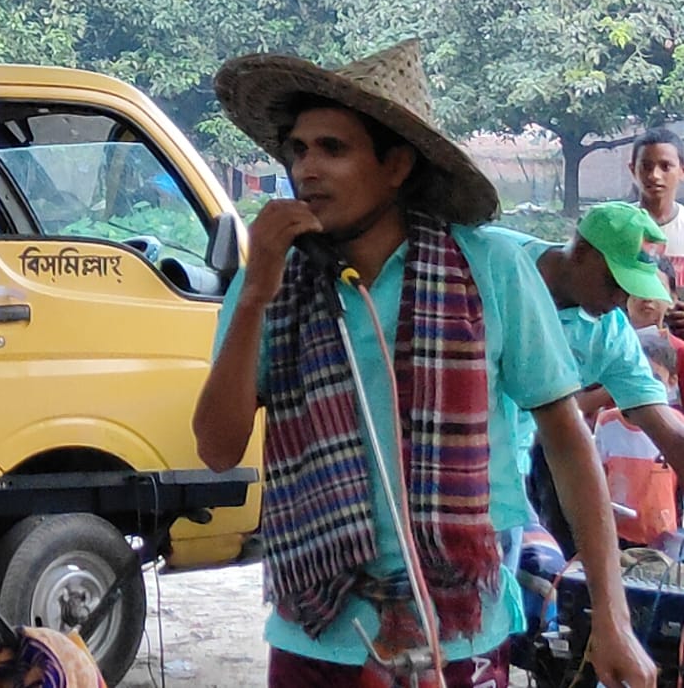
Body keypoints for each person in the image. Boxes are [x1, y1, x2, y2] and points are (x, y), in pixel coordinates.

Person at [192, 39, 653, 688]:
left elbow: (566, 440)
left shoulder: (490, 267)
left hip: (458, 630)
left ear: (396, 165)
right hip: (317, 632)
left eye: (332, 148)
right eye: (297, 149)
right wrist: (255, 295)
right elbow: (217, 449)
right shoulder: (272, 280)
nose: (306, 169)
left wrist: (612, 615)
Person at [495, 203, 684, 556]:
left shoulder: (610, 335)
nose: (621, 299)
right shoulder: (495, 260)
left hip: (507, 484)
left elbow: (666, 429)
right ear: (580, 250)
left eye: (631, 288)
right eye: (614, 282)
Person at [593, 330, 682, 548]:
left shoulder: (677, 426)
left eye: (654, 378)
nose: (642, 388)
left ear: (672, 381)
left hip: (664, 535)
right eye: (636, 378)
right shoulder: (607, 422)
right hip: (617, 533)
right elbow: (597, 477)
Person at [630, 127, 684, 275]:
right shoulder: (618, 227)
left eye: (665, 166)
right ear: (633, 170)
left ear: (682, 171)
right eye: (646, 167)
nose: (654, 175)